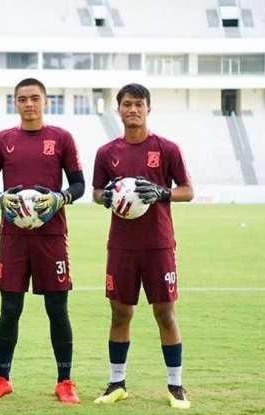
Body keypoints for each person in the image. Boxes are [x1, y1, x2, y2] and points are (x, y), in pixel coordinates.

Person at [0, 78, 85, 403]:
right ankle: (1, 379)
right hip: (13, 235)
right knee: (10, 308)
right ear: (15, 103)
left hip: (51, 235)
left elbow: (79, 184)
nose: (29, 104)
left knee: (57, 308)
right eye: (22, 99)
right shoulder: (1, 140)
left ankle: (65, 381)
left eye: (34, 98)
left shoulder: (62, 138)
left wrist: (60, 198)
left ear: (45, 101)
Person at [91, 83, 193, 409]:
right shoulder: (107, 153)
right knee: (120, 313)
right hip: (121, 246)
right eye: (127, 104)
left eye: (139, 104)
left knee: (165, 312)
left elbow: (187, 190)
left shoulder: (167, 148)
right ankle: (116, 383)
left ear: (149, 108)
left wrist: (162, 192)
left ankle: (176, 387)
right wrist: (104, 197)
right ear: (118, 109)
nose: (132, 110)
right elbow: (96, 192)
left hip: (158, 245)